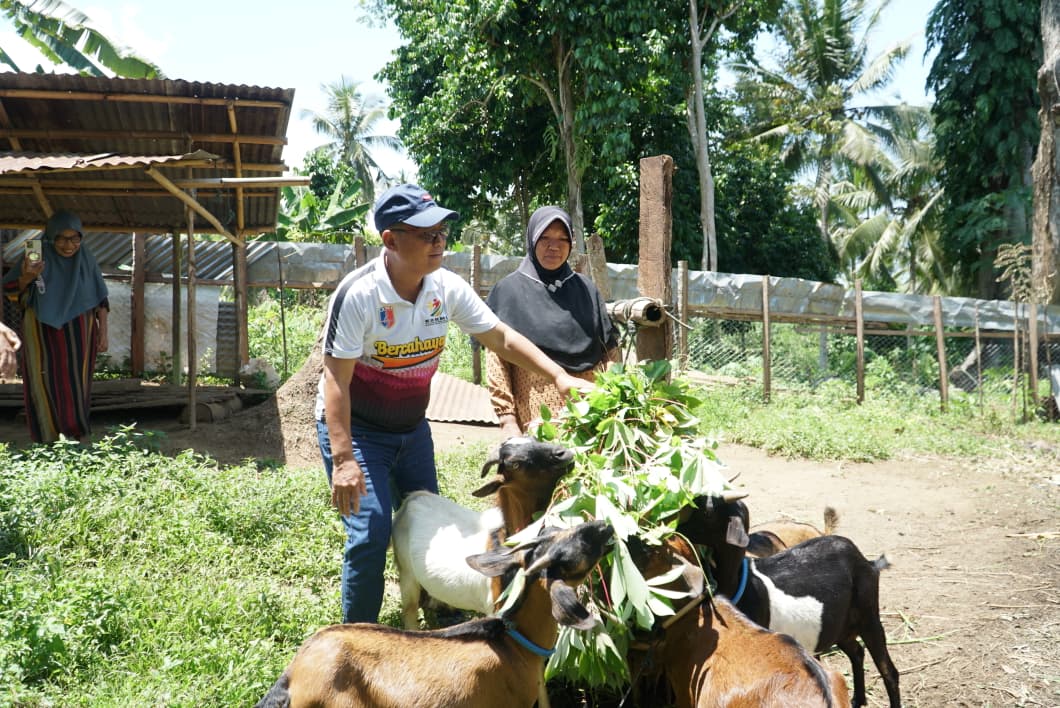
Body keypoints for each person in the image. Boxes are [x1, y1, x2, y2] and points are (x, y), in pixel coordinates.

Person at [316, 184, 593, 624]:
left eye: (443, 233)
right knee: (370, 532)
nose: (439, 243)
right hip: (360, 430)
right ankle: (359, 639)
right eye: (427, 235)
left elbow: (500, 336)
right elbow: (335, 378)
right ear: (390, 240)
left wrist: (559, 376)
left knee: (432, 522)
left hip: (411, 428)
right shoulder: (360, 295)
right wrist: (345, 458)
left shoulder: (445, 287)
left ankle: (436, 616)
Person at [486, 206, 619, 437]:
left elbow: (610, 349)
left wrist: (613, 395)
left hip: (592, 407)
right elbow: (496, 358)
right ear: (532, 239)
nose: (554, 246)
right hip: (539, 411)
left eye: (562, 238)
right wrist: (507, 419)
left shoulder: (586, 289)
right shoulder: (509, 291)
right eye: (545, 238)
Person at [1, 210, 109, 443]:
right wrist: (28, 276)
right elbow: (10, 290)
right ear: (50, 237)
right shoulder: (36, 252)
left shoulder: (86, 258)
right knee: (42, 380)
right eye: (61, 238)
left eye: (74, 238)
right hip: (40, 329)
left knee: (76, 381)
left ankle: (75, 434)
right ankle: (46, 436)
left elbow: (101, 298)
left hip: (80, 330)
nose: (69, 245)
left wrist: (103, 332)